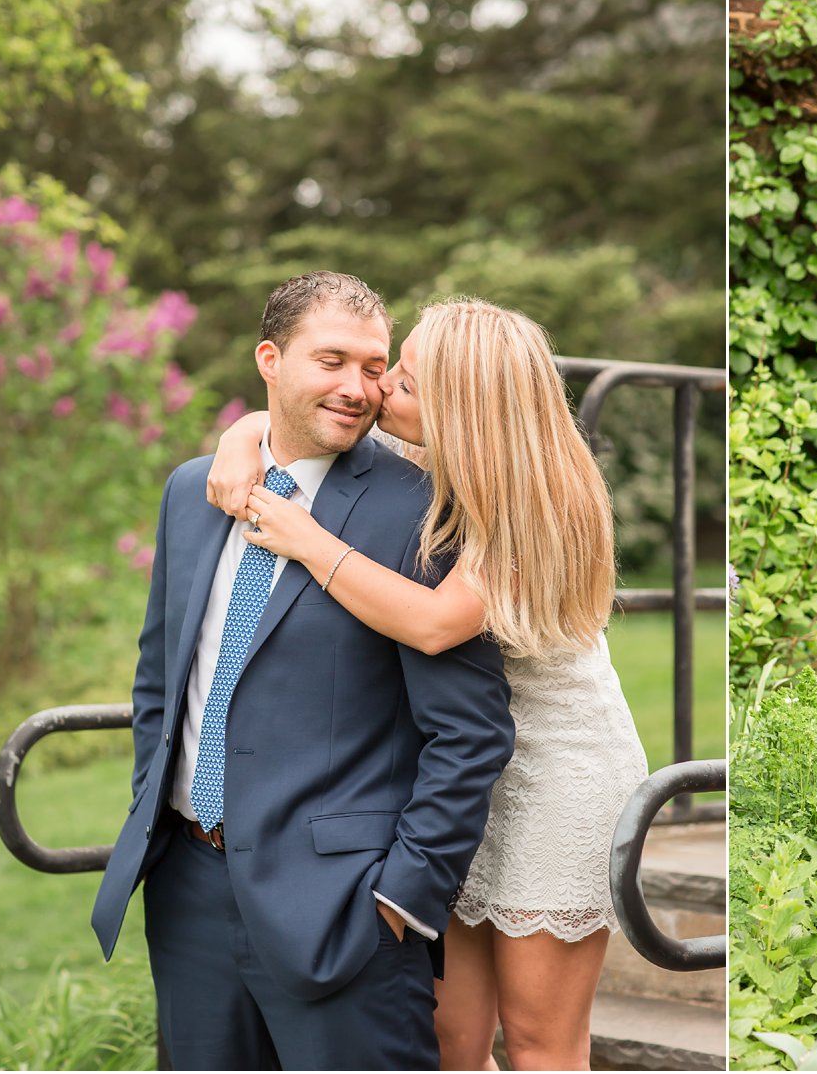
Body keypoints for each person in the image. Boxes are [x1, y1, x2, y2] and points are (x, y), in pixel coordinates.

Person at [206, 297, 648, 1072]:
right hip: (457, 776)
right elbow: (288, 418)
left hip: (556, 779)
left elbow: (439, 623)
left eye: (403, 382)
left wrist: (310, 543)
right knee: (450, 1037)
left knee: (541, 1041)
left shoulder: (541, 497)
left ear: (464, 410)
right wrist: (243, 435)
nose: (379, 392)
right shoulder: (425, 460)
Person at [90, 272, 516, 1071]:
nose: (357, 389)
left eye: (373, 366)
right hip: (188, 888)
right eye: (331, 361)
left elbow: (471, 732)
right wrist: (161, 820)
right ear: (270, 360)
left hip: (345, 912)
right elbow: (161, 679)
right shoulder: (194, 491)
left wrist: (400, 901)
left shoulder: (424, 513)